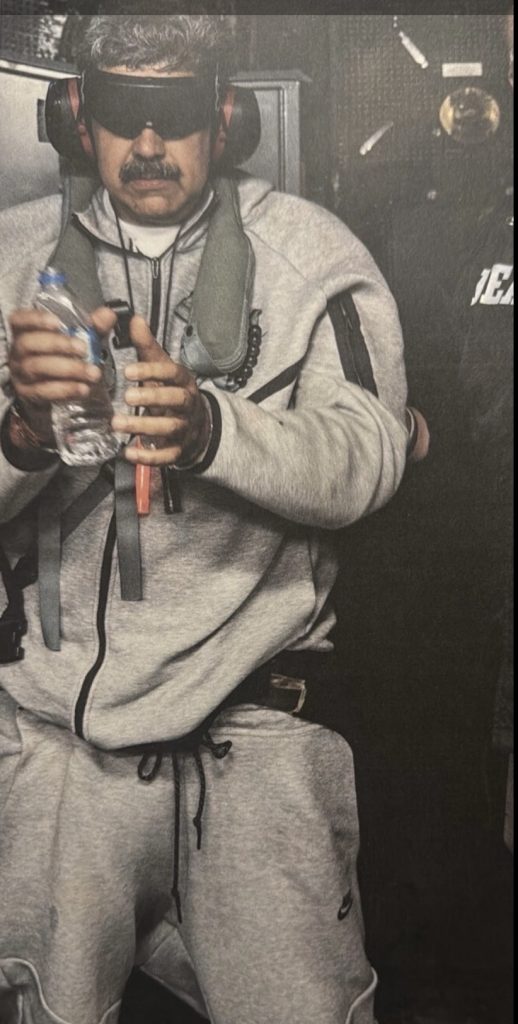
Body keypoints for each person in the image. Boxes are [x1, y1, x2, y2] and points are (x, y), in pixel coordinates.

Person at [0, 15, 410, 1024]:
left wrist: (210, 429)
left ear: (225, 120)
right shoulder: (9, 259)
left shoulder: (313, 255)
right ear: (77, 117)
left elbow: (369, 456)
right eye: (122, 111)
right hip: (59, 753)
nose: (148, 143)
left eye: (175, 113)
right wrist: (23, 433)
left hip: (255, 738)